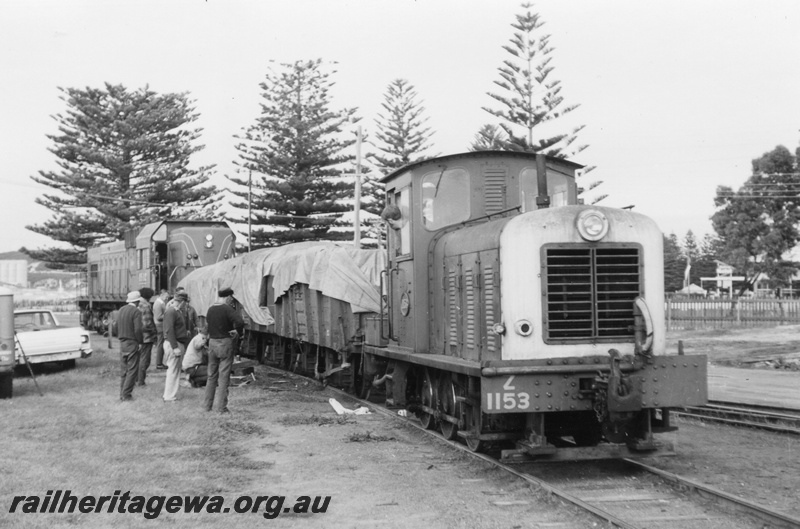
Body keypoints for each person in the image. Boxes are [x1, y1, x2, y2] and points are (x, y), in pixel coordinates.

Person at [204, 288, 244, 413]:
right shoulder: (227, 309)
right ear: (228, 297)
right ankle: (221, 408)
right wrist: (237, 332)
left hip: (212, 344)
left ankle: (207, 406)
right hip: (224, 344)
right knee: (223, 377)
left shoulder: (210, 309)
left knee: (211, 377)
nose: (231, 300)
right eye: (231, 298)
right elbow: (240, 322)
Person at [162, 292, 190, 402]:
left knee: (174, 370)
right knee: (173, 370)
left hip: (177, 342)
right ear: (182, 302)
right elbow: (169, 330)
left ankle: (170, 395)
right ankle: (169, 396)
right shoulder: (171, 311)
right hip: (174, 343)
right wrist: (174, 347)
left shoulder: (176, 311)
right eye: (185, 303)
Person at [117, 291, 143, 401]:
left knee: (124, 370)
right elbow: (138, 329)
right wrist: (140, 342)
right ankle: (126, 394)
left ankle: (122, 393)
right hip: (132, 342)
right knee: (132, 370)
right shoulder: (136, 312)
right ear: (137, 301)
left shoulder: (121, 310)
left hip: (122, 342)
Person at [136, 287, 157, 387]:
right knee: (145, 360)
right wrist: (154, 334)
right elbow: (148, 323)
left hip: (138, 336)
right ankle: (141, 381)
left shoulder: (137, 305)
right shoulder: (145, 306)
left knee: (139, 358)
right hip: (146, 337)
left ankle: (136, 379)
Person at [153, 288, 169, 370]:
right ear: (161, 295)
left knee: (161, 344)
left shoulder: (161, 302)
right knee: (160, 344)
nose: (167, 298)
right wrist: (168, 314)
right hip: (160, 326)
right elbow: (158, 317)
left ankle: (160, 363)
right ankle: (159, 363)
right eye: (166, 296)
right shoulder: (158, 304)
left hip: (161, 325)